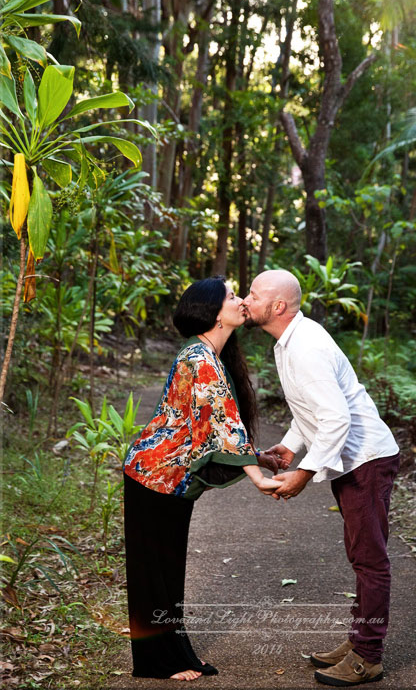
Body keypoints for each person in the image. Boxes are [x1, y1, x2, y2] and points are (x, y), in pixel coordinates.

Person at [243, 269, 400, 688]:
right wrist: (292, 448)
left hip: (365, 459)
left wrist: (303, 473)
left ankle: (368, 656)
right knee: (360, 555)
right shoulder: (291, 339)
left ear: (277, 306)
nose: (245, 300)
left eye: (253, 294)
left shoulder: (305, 347)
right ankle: (358, 642)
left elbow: (336, 417)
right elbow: (308, 407)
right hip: (353, 460)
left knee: (370, 560)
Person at [123, 276, 282, 681]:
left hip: (166, 476)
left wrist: (258, 457)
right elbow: (224, 423)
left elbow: (209, 427)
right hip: (155, 475)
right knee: (155, 574)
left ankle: (171, 655)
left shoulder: (209, 354)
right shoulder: (201, 358)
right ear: (214, 313)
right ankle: (160, 662)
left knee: (166, 570)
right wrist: (257, 477)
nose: (241, 301)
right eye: (232, 296)